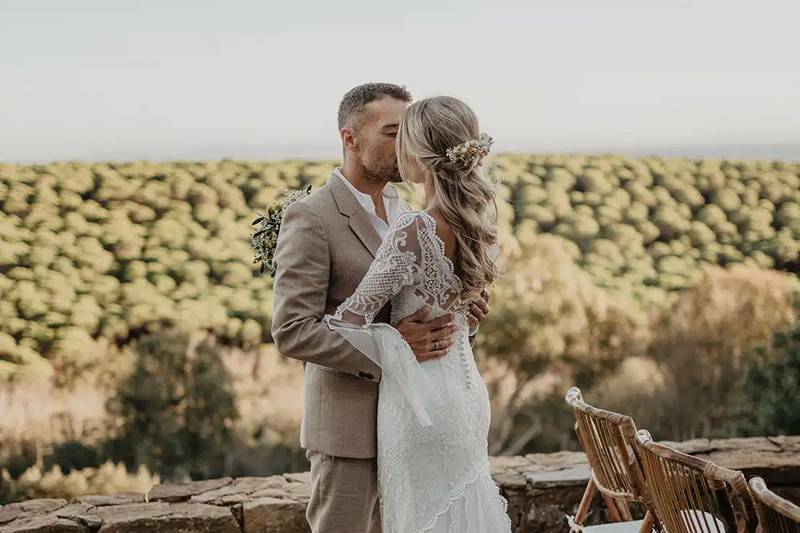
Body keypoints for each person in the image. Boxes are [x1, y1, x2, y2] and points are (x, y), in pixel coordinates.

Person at [271, 83, 491, 533]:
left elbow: (431, 315)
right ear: (349, 138)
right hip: (350, 427)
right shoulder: (311, 217)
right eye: (394, 131)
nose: (404, 142)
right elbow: (292, 329)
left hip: (423, 420)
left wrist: (463, 318)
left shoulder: (415, 215)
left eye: (409, 130)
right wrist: (393, 344)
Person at [322, 94, 511, 532]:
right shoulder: (478, 223)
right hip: (466, 395)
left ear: (418, 155)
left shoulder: (414, 227)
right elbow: (461, 315)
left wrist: (395, 337)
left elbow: (349, 323)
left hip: (419, 405)